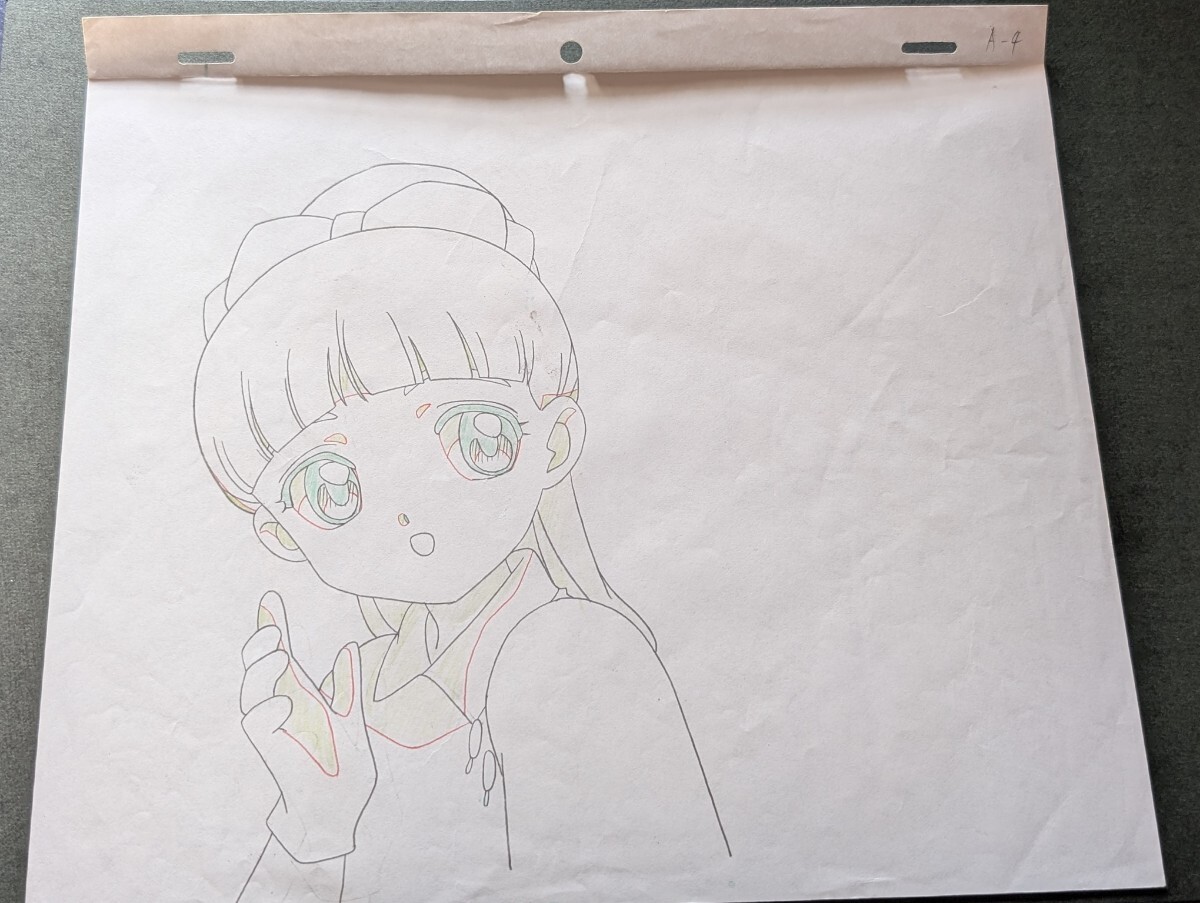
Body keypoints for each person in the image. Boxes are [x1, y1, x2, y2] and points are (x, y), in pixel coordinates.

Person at [193, 164, 729, 901]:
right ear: (281, 532)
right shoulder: (359, 683)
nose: (409, 510)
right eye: (329, 487)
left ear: (554, 441)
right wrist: (317, 821)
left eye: (474, 436)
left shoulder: (566, 645)